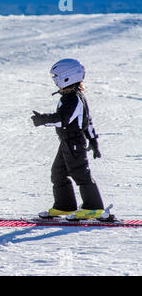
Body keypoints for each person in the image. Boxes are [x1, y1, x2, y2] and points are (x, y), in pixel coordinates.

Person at [31, 59, 105, 220]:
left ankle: (93, 208)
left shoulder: (72, 98)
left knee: (80, 174)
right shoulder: (71, 96)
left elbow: (63, 119)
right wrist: (93, 141)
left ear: (66, 77)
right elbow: (88, 121)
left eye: (56, 77)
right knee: (58, 173)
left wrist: (43, 119)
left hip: (74, 142)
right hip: (67, 142)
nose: (55, 81)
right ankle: (64, 206)